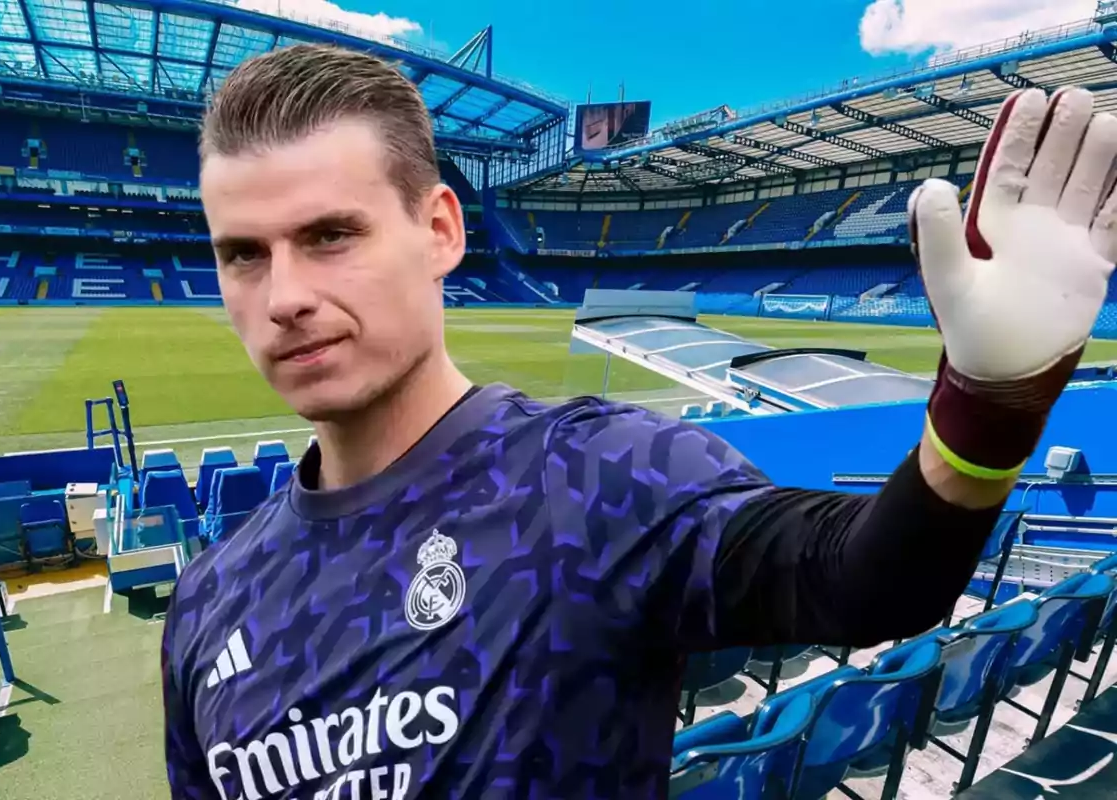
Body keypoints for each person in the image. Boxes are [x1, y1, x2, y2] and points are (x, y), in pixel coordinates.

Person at [162, 43, 1117, 799]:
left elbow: (865, 581)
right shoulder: (206, 609)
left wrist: (986, 411)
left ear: (442, 230)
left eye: (331, 235)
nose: (284, 294)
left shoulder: (602, 476)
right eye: (244, 254)